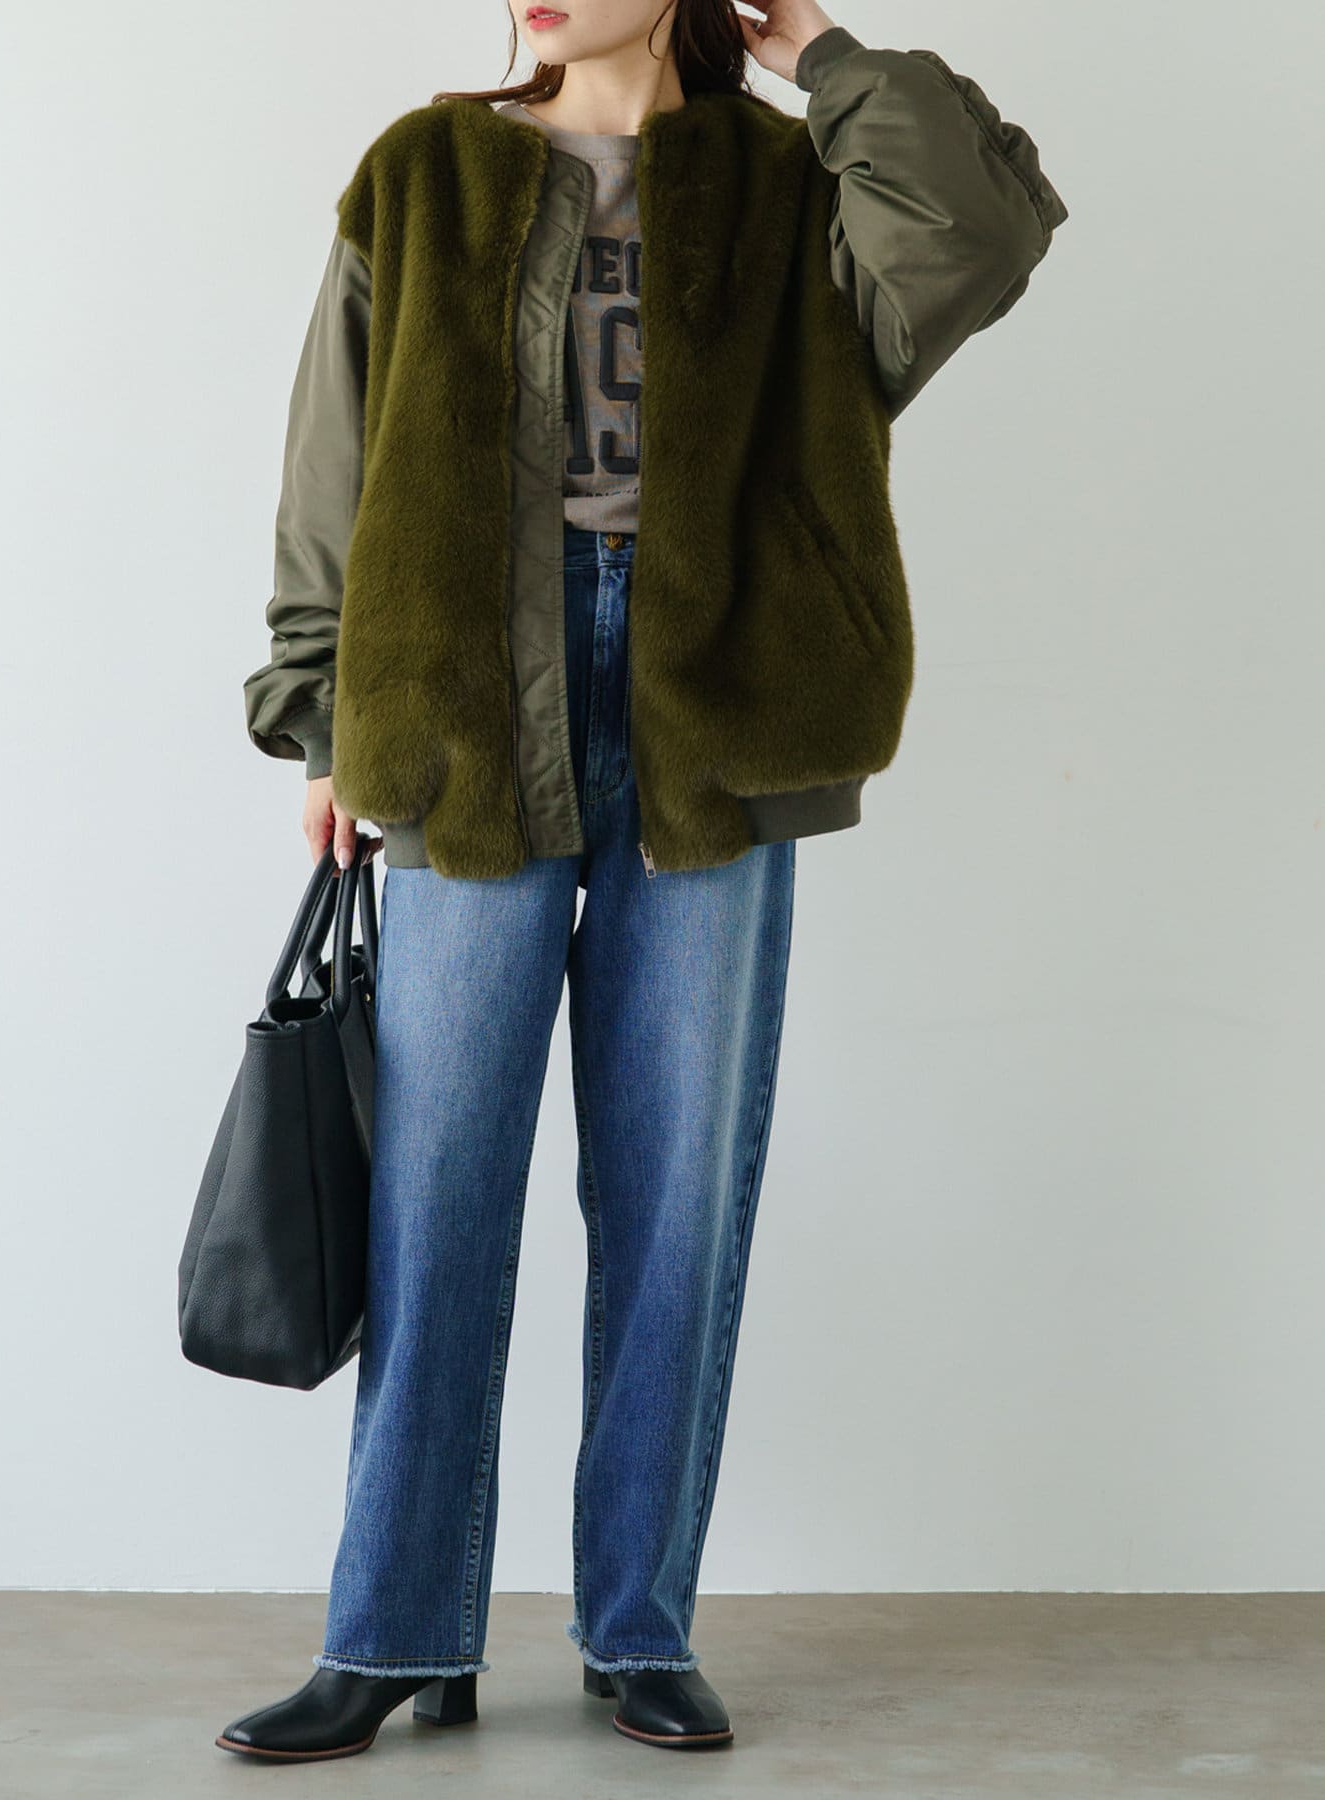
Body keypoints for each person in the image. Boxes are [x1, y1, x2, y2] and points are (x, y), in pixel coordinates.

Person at [219, 0, 1067, 1763]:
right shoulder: (423, 174)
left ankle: (640, 1624)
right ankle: (394, 1632)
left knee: (679, 1196)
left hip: (718, 720)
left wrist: (825, 59)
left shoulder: (789, 181)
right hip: (465, 710)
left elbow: (982, 228)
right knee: (435, 1194)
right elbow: (334, 460)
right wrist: (316, 720)